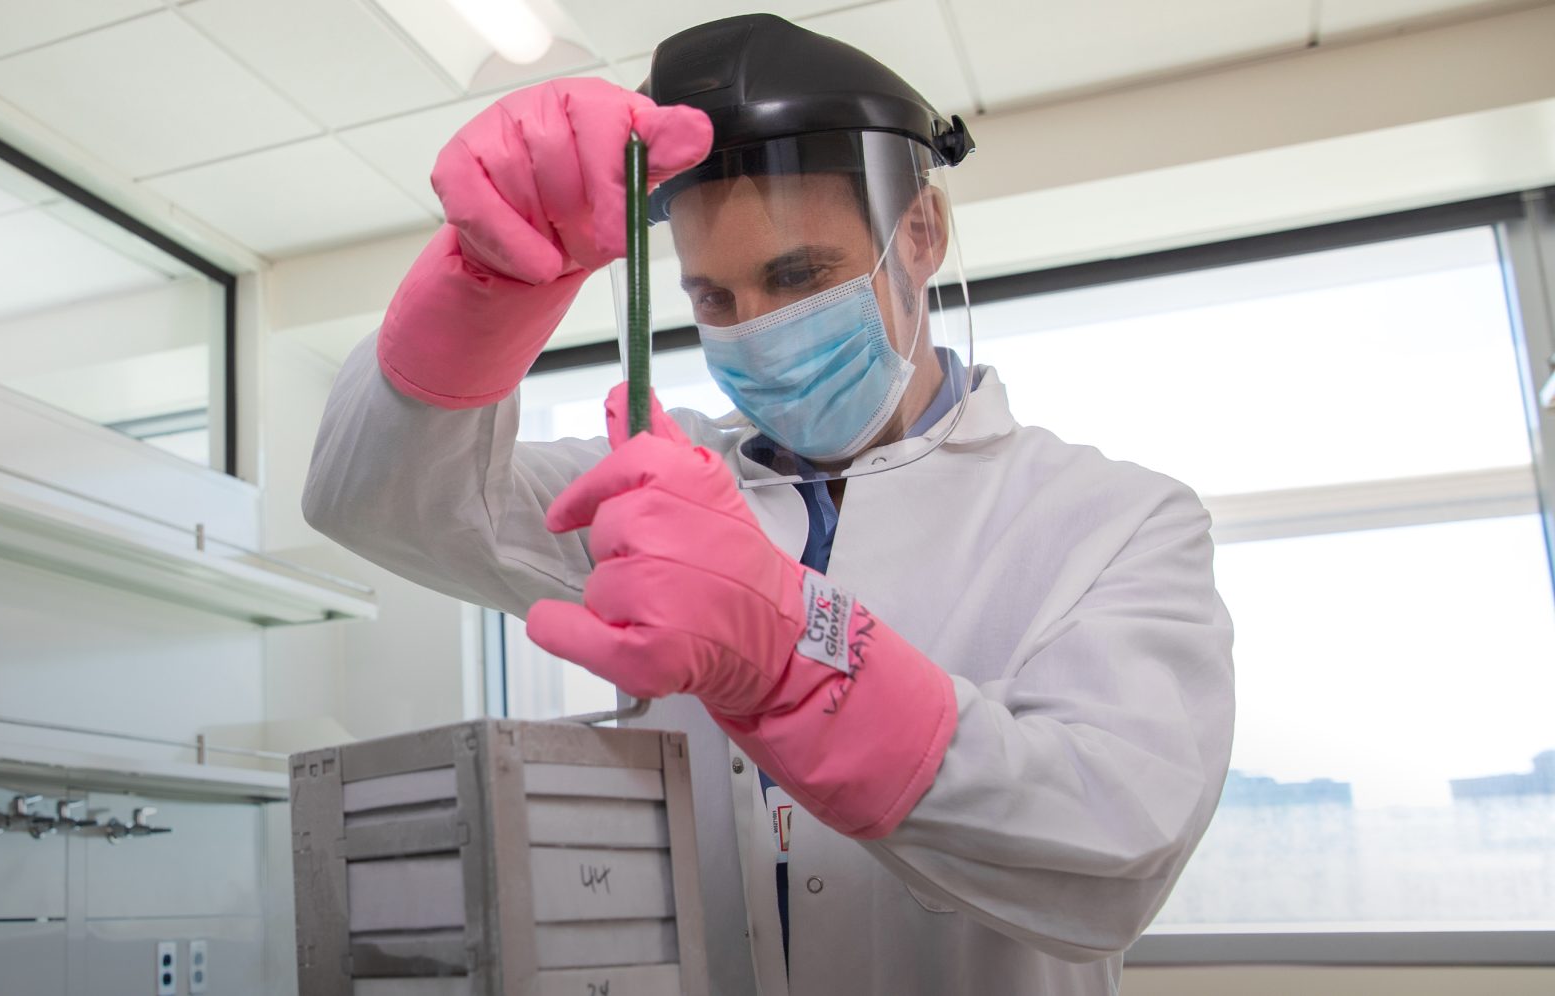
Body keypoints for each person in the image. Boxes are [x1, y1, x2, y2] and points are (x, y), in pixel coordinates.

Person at [302, 13, 1235, 996]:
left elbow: (1112, 850)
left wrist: (797, 656)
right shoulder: (658, 489)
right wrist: (483, 284)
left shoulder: (1113, 519)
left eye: (798, 276)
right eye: (714, 299)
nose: (758, 329)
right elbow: (380, 501)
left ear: (919, 234)